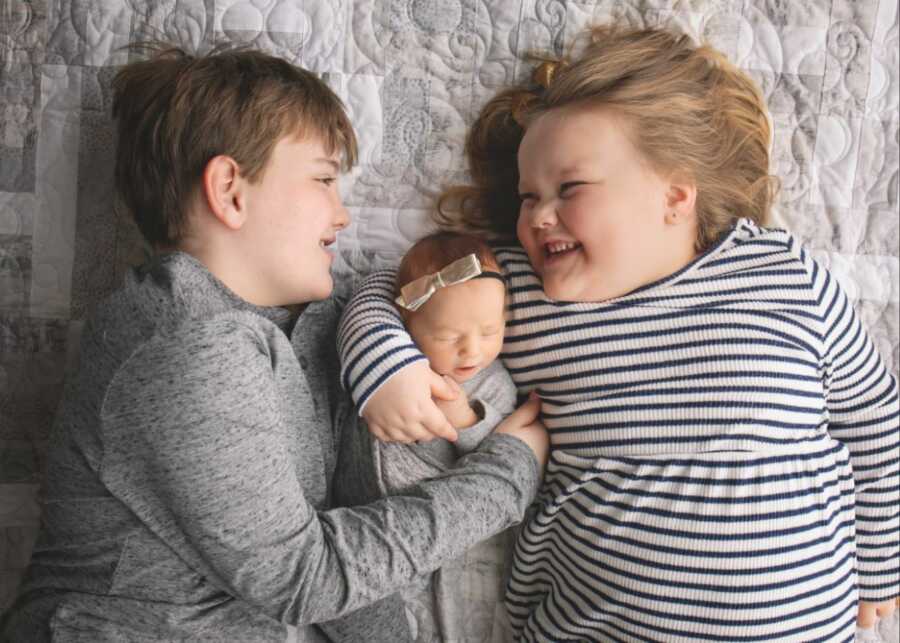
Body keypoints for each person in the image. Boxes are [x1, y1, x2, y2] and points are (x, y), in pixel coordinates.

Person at [336, 24, 900, 642]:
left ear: (675, 196)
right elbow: (387, 286)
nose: (538, 215)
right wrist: (387, 367)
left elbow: (873, 415)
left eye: (569, 188)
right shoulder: (523, 289)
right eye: (527, 197)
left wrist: (880, 559)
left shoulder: (781, 274)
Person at [0, 44, 549, 642]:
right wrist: (508, 475)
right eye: (323, 179)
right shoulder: (189, 342)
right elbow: (305, 578)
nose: (341, 215)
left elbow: (329, 548)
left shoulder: (283, 331)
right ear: (230, 190)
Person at [331, 232, 521, 642]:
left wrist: (465, 416)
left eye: (490, 331)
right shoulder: (391, 357)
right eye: (449, 337)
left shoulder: (493, 382)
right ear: (408, 324)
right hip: (359, 518)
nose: (472, 351)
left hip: (440, 518)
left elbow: (498, 446)